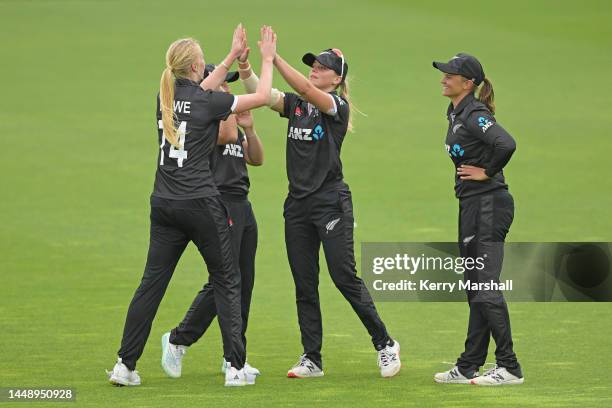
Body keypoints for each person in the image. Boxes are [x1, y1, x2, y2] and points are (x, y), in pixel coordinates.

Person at [106, 25, 276, 387]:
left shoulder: (164, 96)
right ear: (197, 66)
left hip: (163, 203)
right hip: (200, 202)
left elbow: (200, 89)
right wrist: (265, 59)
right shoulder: (208, 101)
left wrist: (230, 57)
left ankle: (125, 364)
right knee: (228, 279)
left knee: (151, 283)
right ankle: (234, 366)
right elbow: (262, 95)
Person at [236, 47, 401, 378]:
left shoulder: (335, 106)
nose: (314, 69)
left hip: (330, 202)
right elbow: (262, 93)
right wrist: (245, 64)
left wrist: (275, 59)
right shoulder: (297, 106)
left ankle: (385, 343)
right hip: (297, 206)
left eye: (322, 67)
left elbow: (306, 90)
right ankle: (312, 357)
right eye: (312, 64)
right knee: (304, 283)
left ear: (336, 78)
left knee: (343, 277)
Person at [160, 62, 264, 384]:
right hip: (219, 201)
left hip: (243, 203)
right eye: (222, 84)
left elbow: (257, 158)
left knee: (243, 283)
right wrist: (231, 109)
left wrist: (250, 128)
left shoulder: (225, 115)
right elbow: (226, 133)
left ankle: (234, 357)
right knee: (224, 280)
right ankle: (178, 339)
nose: (228, 89)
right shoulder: (207, 119)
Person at [431, 53, 524, 386]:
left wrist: (487, 171)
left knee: (484, 287)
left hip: (488, 205)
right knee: (476, 288)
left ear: (467, 83)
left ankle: (509, 366)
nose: (443, 78)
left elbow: (506, 143)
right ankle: (469, 364)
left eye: (449, 74)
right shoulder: (456, 111)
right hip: (473, 206)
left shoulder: (473, 113)